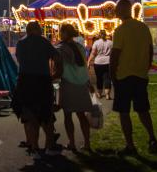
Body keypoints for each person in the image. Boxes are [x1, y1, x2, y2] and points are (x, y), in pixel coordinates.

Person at [110, 0, 157, 156]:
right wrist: (145, 67)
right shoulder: (143, 28)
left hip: (124, 76)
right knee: (143, 110)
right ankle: (152, 137)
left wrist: (113, 76)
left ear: (124, 10)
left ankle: (130, 145)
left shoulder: (120, 30)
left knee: (124, 112)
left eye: (117, 9)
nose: (115, 12)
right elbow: (150, 50)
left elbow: (115, 55)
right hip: (140, 75)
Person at [11, 21, 61, 157]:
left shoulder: (21, 43)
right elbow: (57, 57)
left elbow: (20, 60)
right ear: (37, 30)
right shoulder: (44, 42)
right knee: (46, 115)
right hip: (42, 80)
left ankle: (34, 147)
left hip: (25, 80)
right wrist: (56, 73)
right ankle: (49, 146)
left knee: (29, 116)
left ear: (27, 31)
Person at [55, 24, 94, 152]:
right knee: (81, 115)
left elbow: (59, 69)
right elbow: (83, 66)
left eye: (61, 32)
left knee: (67, 116)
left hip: (68, 83)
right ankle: (87, 143)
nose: (60, 34)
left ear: (65, 33)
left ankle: (72, 142)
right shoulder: (81, 47)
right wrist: (88, 82)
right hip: (82, 83)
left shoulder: (61, 48)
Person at [87, 30, 113, 100]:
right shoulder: (110, 43)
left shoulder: (96, 43)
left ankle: (99, 94)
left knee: (99, 78)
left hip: (98, 63)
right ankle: (107, 95)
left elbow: (93, 53)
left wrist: (88, 61)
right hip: (108, 62)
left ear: (99, 35)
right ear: (106, 34)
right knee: (107, 78)